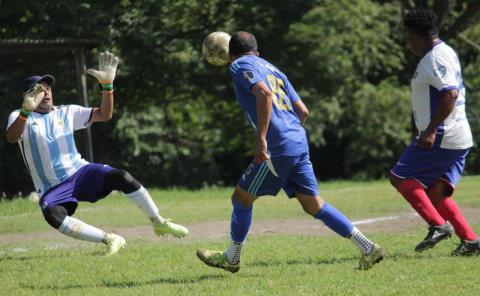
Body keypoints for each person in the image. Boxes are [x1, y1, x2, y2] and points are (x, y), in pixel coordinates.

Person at [196, 32, 384, 273]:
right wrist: (289, 135)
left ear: (231, 55)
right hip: (298, 141)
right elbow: (303, 111)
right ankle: (368, 247)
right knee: (314, 205)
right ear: (258, 51)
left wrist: (263, 139)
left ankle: (232, 257)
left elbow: (264, 94)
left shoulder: (239, 64)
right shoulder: (274, 69)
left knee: (241, 198)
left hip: (278, 146)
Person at [6, 52, 189, 256]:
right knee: (53, 216)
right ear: (29, 96)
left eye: (48, 88)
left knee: (122, 177)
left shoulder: (66, 112)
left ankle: (159, 222)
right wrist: (25, 111)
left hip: (79, 172)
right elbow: (12, 137)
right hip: (51, 186)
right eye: (40, 90)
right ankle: (110, 238)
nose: (46, 93)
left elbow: (105, 113)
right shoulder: (19, 116)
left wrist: (107, 86)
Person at [390, 9, 479, 256]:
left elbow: (450, 94)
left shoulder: (434, 59)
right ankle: (471, 241)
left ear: (418, 36)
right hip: (458, 134)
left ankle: (438, 226)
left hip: (442, 135)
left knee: (399, 177)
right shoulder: (444, 51)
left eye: (409, 37)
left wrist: (430, 131)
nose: (408, 43)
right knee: (436, 193)